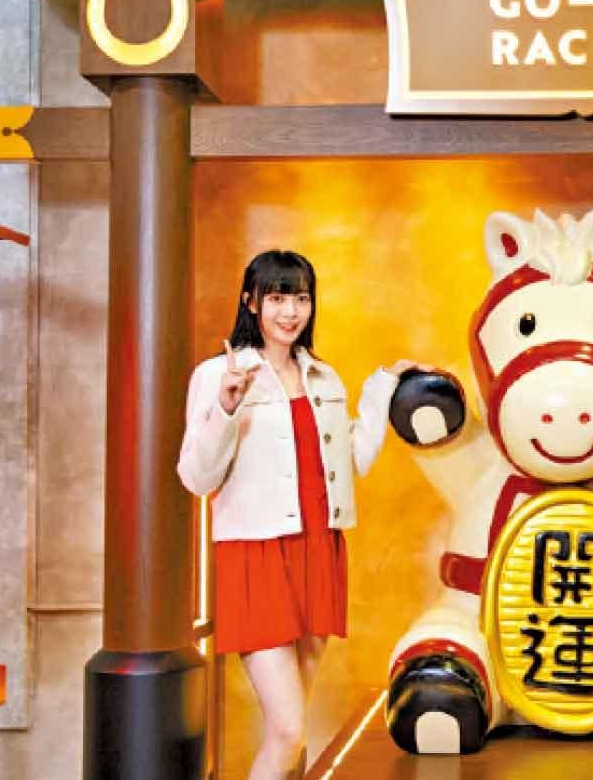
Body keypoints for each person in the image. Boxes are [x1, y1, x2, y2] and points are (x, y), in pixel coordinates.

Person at [177, 250, 422, 779]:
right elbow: (196, 478)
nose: (290, 312)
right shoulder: (218, 374)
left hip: (318, 549)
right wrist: (226, 407)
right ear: (251, 302)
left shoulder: (322, 377)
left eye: (301, 299)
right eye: (277, 298)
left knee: (293, 729)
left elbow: (352, 460)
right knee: (287, 729)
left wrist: (383, 387)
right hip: (256, 554)